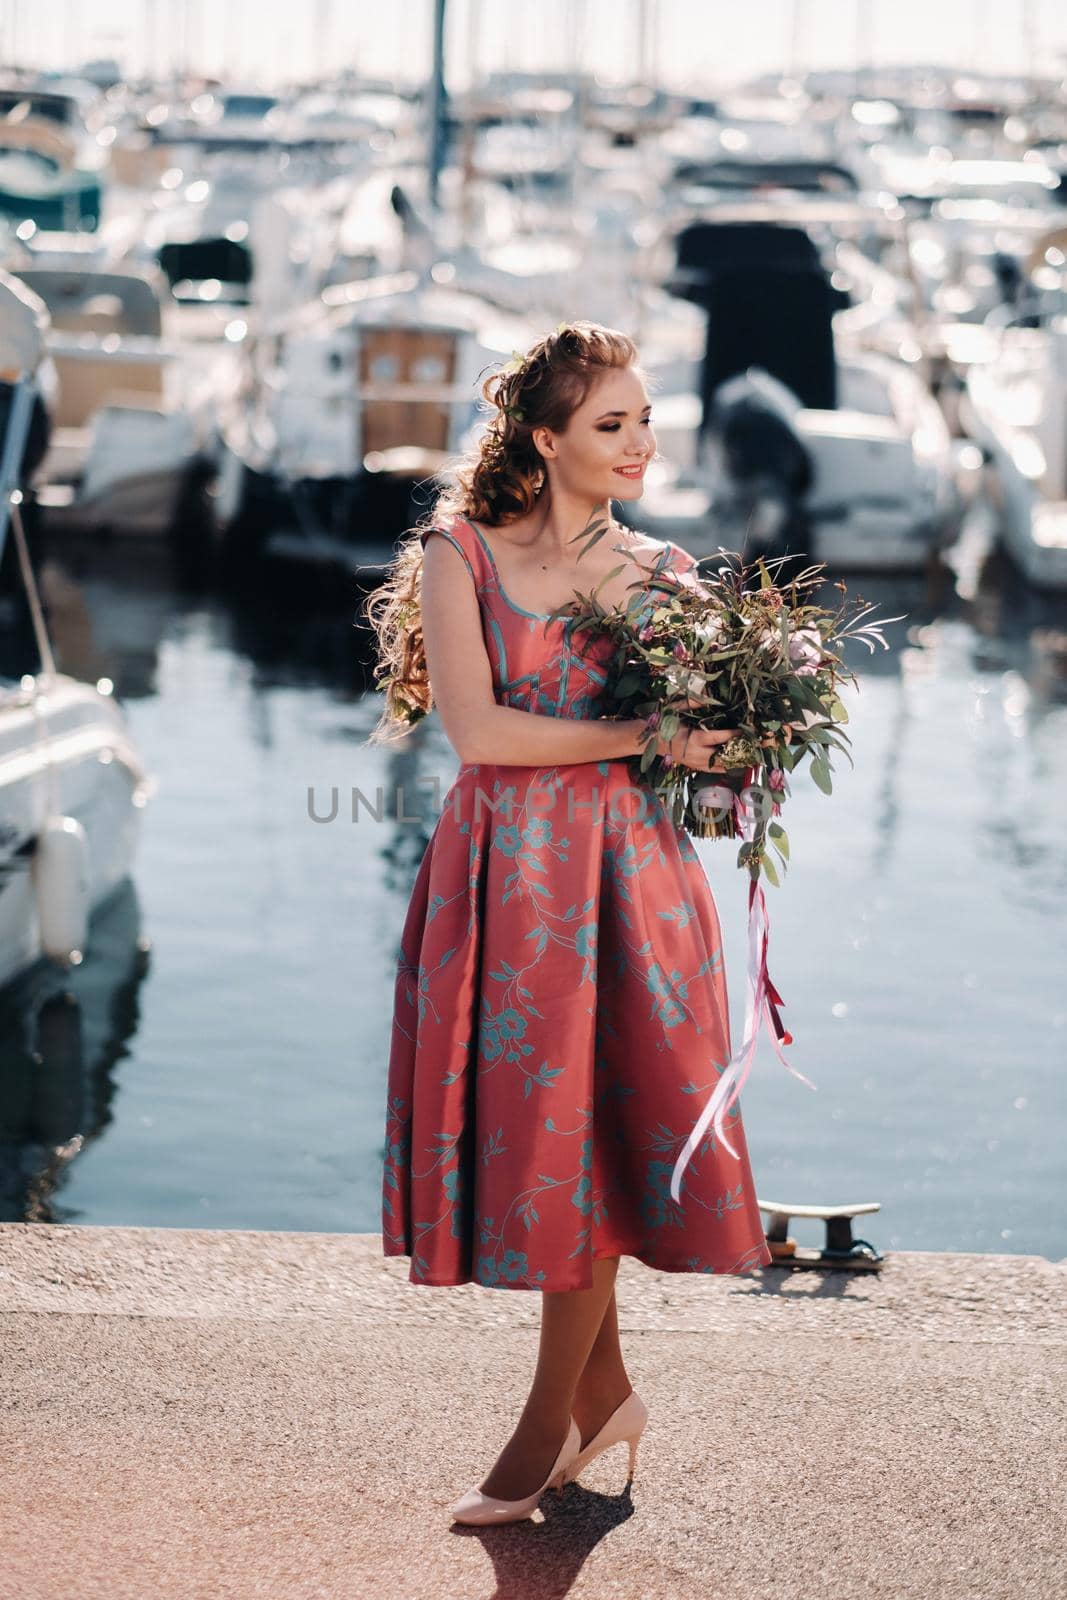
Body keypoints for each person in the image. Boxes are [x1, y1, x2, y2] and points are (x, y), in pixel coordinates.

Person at [364, 320, 775, 1524]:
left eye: (646, 420)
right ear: (542, 440)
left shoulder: (663, 579)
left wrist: (730, 745)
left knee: (594, 1135)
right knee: (550, 1138)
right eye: (611, 424)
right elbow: (480, 736)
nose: (639, 442)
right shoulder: (461, 556)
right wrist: (644, 737)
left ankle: (550, 1425)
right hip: (504, 877)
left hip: (633, 884)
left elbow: (704, 764)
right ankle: (600, 1401)